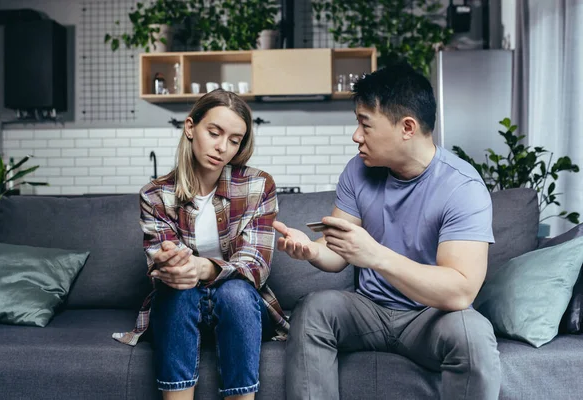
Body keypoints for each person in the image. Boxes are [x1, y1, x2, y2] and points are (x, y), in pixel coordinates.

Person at [274, 64, 501, 400]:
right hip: (370, 310)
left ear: (407, 127)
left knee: (472, 332)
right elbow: (339, 251)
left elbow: (459, 292)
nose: (356, 135)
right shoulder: (359, 170)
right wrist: (313, 250)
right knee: (314, 308)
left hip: (430, 317)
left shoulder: (461, 187)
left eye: (365, 123)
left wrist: (376, 256)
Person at [113, 89, 289, 400]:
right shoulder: (154, 195)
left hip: (240, 308)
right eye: (214, 132)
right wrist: (169, 264)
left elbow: (256, 266)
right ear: (191, 127)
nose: (223, 147)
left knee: (234, 292)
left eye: (234, 140)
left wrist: (202, 267)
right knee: (176, 292)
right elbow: (160, 262)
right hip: (180, 306)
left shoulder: (259, 185)